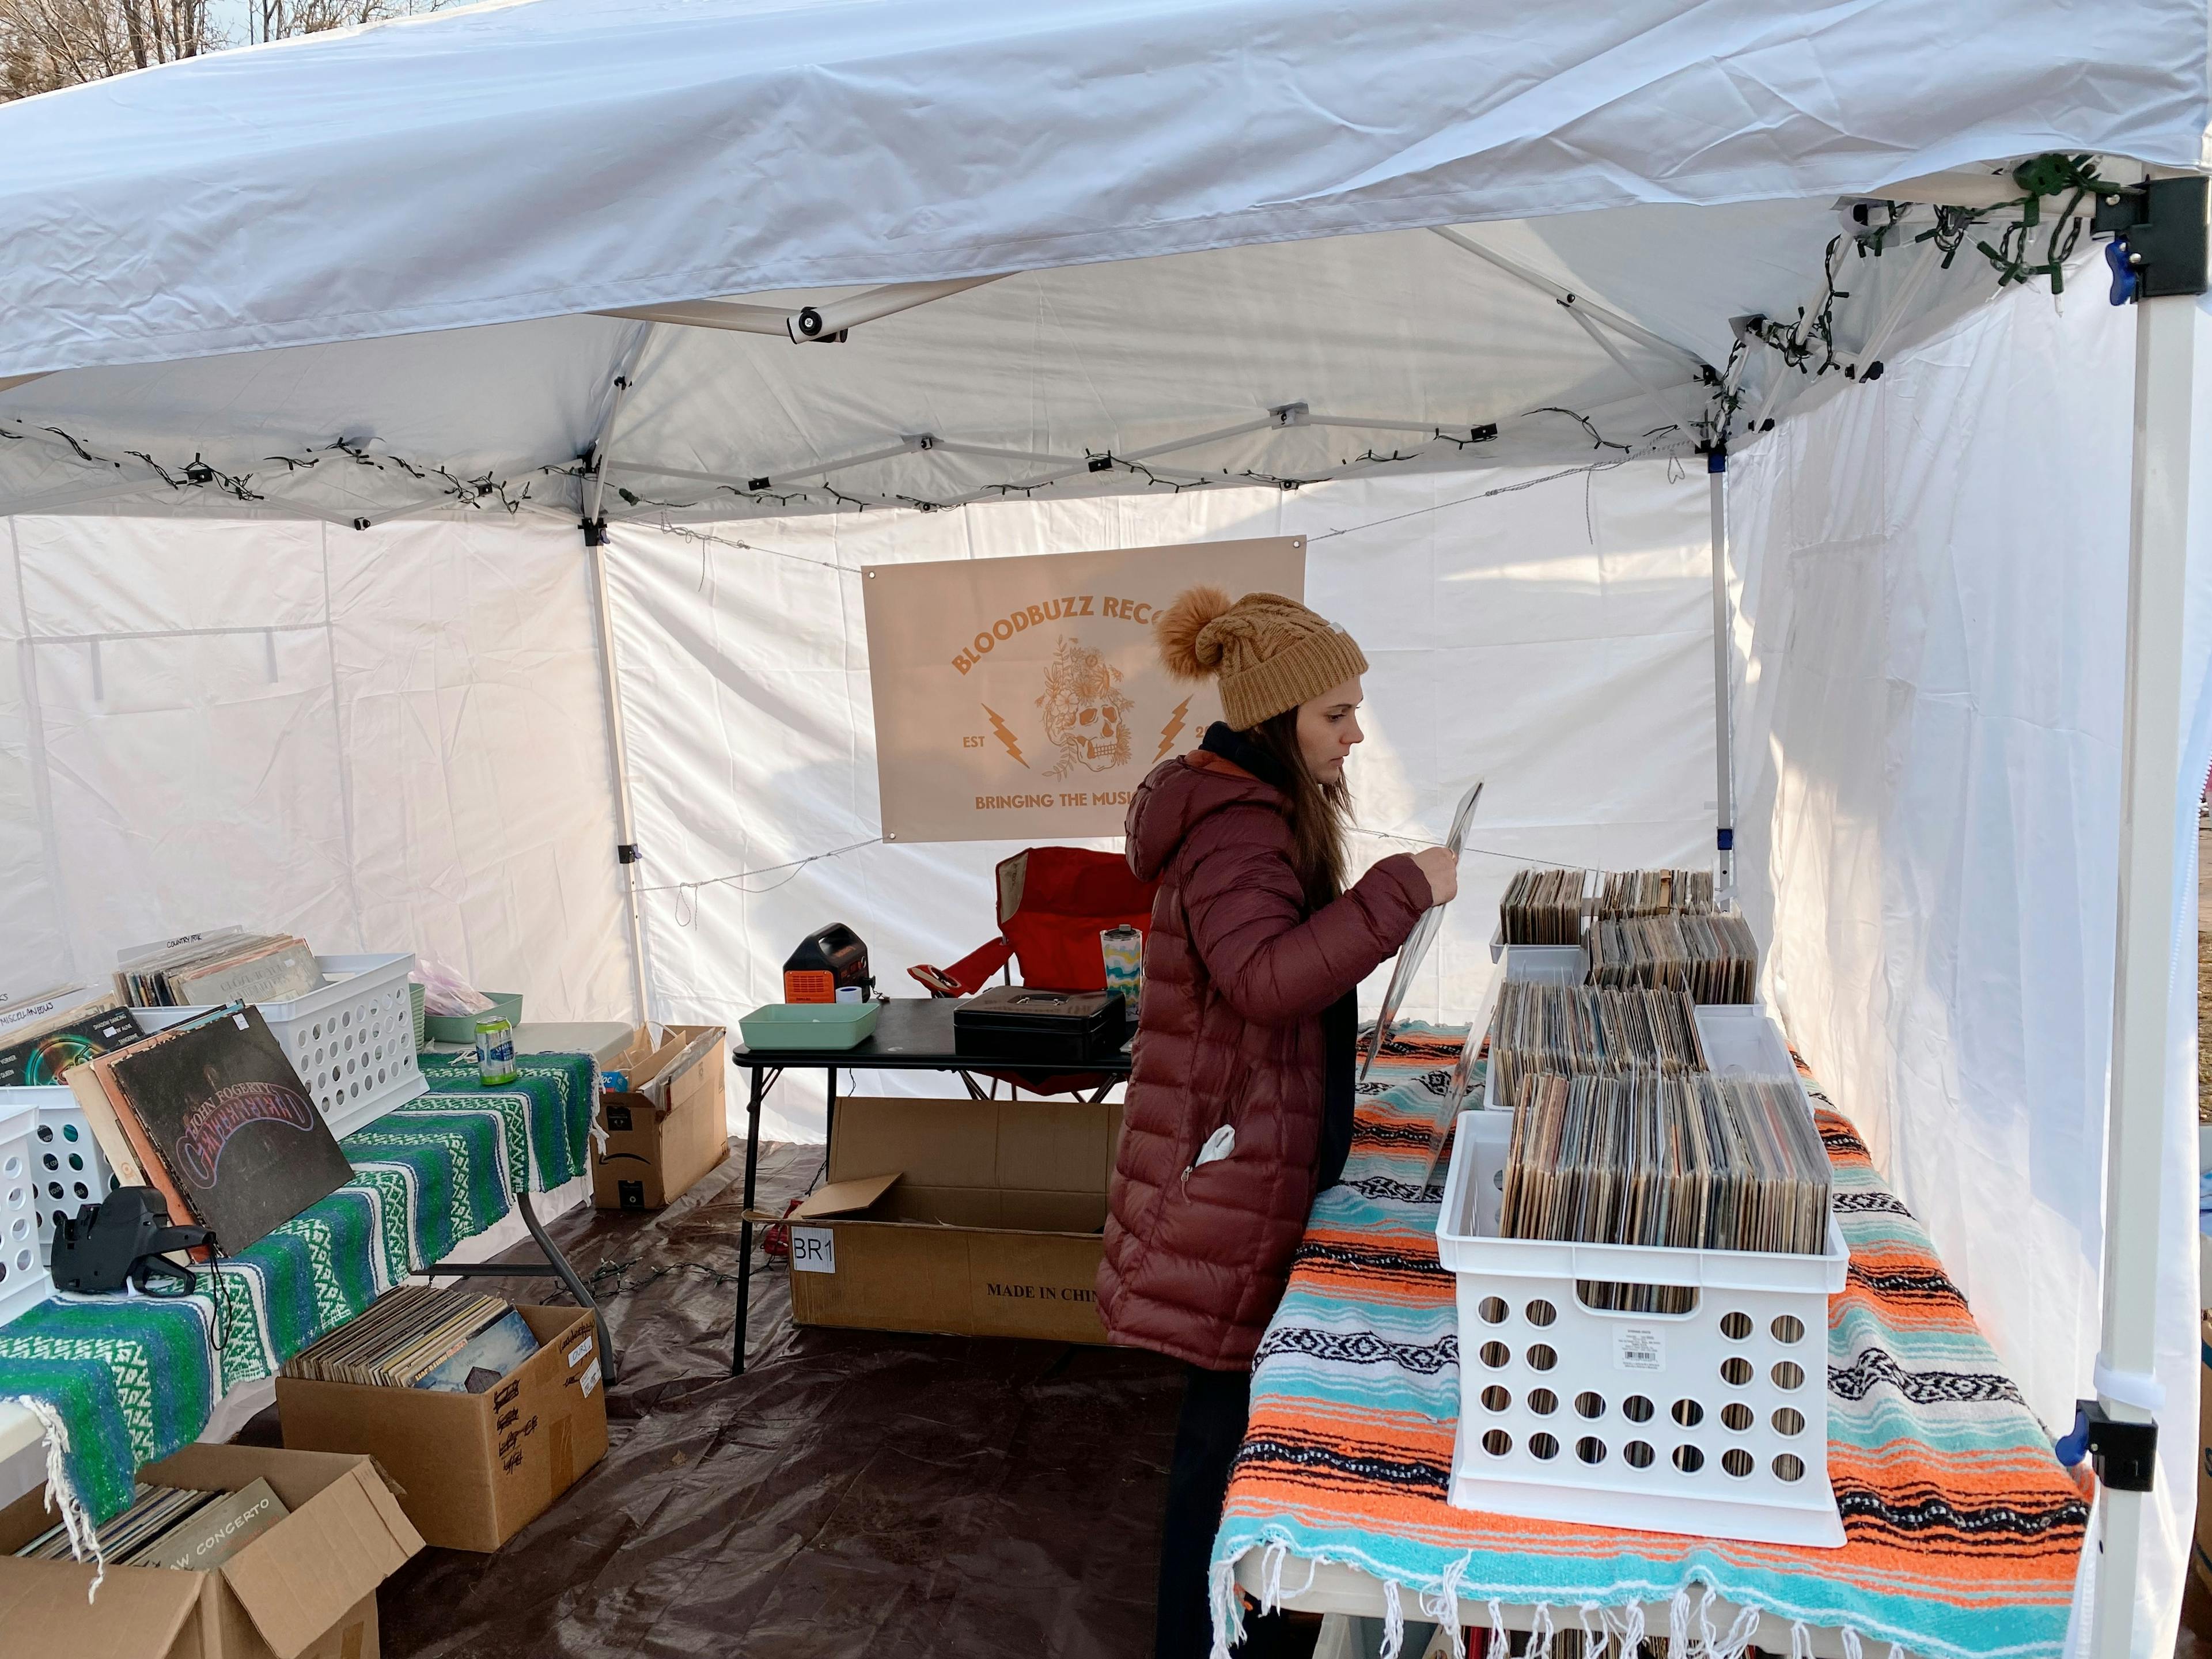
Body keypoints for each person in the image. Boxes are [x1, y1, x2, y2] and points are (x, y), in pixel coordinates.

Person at [1098, 585, 1460, 1659]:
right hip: (1228, 1175)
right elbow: (1262, 979)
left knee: (1236, 1431)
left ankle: (1235, 1631)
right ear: (1275, 720)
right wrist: (1398, 891)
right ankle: (1202, 1637)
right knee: (1220, 1443)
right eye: (1335, 716)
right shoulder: (1237, 828)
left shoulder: (1252, 812)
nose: (1355, 735)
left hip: (1245, 1156)